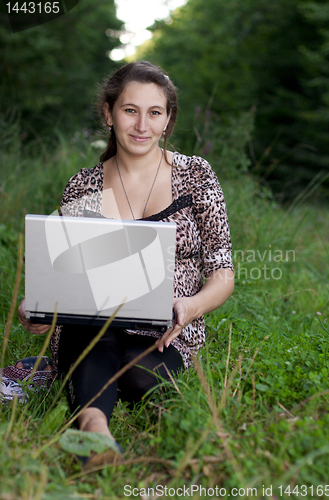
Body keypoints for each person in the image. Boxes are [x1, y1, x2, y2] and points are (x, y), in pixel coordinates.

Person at [17, 61, 234, 466]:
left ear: (168, 120)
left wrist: (193, 306)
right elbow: (66, 272)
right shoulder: (86, 186)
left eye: (155, 112)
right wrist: (39, 309)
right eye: (130, 110)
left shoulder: (195, 176)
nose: (142, 125)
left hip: (168, 329)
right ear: (108, 112)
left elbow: (222, 269)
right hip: (93, 322)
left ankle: (77, 383)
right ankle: (95, 432)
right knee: (91, 336)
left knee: (138, 375)